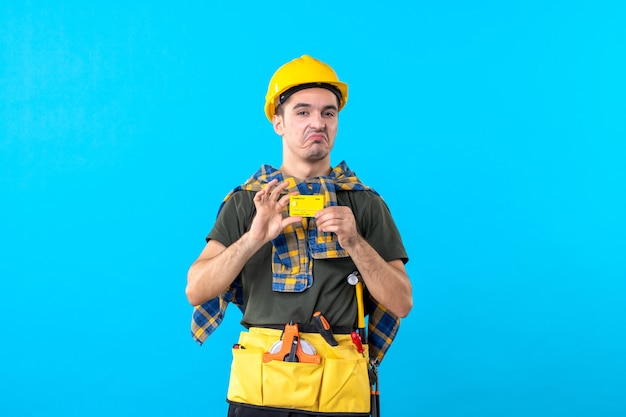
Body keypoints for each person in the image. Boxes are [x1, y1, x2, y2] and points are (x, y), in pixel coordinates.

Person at [186, 54, 412, 417]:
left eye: (328, 113)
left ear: (337, 122)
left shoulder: (364, 205)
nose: (317, 123)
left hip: (339, 394)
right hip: (260, 395)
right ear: (278, 121)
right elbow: (196, 289)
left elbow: (401, 302)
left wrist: (354, 241)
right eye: (302, 112)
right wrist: (253, 238)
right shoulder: (247, 203)